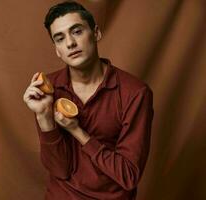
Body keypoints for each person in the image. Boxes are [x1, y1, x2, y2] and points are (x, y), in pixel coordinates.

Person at [23, 1, 154, 199]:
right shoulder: (49, 90)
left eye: (76, 31)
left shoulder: (134, 93)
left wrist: (77, 131)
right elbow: (59, 170)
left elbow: (128, 175)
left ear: (96, 33)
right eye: (60, 38)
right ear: (57, 50)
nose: (70, 43)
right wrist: (44, 117)